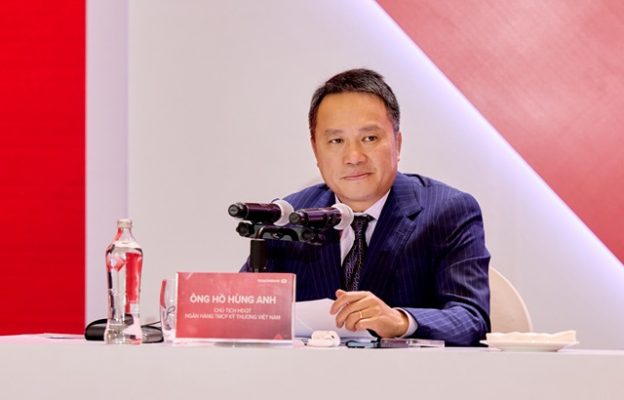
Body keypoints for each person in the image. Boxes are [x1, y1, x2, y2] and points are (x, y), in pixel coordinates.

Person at [242, 68, 490, 346]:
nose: (354, 157)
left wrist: (401, 321)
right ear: (315, 150)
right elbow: (244, 311)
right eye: (336, 141)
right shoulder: (290, 216)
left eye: (369, 138)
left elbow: (472, 319)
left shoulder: (448, 211)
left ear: (397, 142)